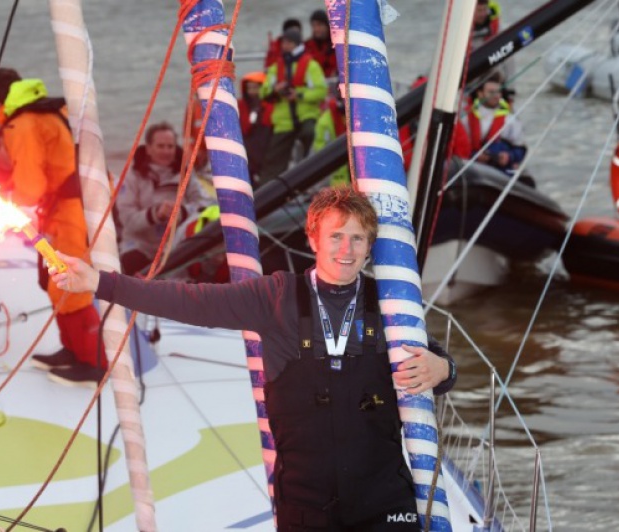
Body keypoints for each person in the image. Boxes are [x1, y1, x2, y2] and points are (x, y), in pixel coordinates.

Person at [52, 186, 457, 530]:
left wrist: (444, 369)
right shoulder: (274, 297)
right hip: (307, 505)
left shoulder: (387, 302)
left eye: (358, 238)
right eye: (336, 236)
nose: (346, 249)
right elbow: (191, 301)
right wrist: (100, 283)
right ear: (313, 239)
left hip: (383, 502)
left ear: (370, 246)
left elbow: (435, 360)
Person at [0, 67, 106, 387]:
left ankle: (94, 363)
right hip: (69, 206)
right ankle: (73, 350)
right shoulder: (51, 110)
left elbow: (31, 184)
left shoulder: (21, 123)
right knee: (52, 278)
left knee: (68, 282)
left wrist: (8, 203)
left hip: (69, 209)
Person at [115, 121, 211, 275]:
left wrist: (182, 212)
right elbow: (127, 220)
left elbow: (204, 204)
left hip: (176, 244)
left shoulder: (185, 172)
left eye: (170, 146)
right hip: (140, 245)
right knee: (133, 262)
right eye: (160, 146)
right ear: (148, 149)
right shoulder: (132, 177)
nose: (166, 151)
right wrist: (155, 213)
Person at [259, 28, 327, 185]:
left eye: (288, 42)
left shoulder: (310, 66)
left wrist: (299, 94)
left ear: (296, 44)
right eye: (283, 42)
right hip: (284, 121)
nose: (284, 45)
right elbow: (264, 93)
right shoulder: (277, 67)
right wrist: (275, 90)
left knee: (310, 137)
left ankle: (310, 183)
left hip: (306, 116)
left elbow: (320, 91)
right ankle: (267, 192)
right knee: (273, 158)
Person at [466, 76, 526, 173]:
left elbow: (521, 149)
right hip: (472, 167)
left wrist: (509, 156)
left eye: (498, 92)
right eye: (491, 92)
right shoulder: (466, 118)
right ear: (480, 93)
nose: (496, 95)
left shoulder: (510, 120)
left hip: (500, 170)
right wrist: (475, 155)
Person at [237, 71, 273, 182]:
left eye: (255, 88)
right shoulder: (241, 106)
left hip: (265, 146)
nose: (252, 91)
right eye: (249, 88)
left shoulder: (270, 106)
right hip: (248, 148)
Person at [305, 9, 337, 79]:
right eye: (313, 26)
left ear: (327, 25)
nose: (316, 29)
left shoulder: (337, 46)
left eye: (319, 25)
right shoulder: (306, 46)